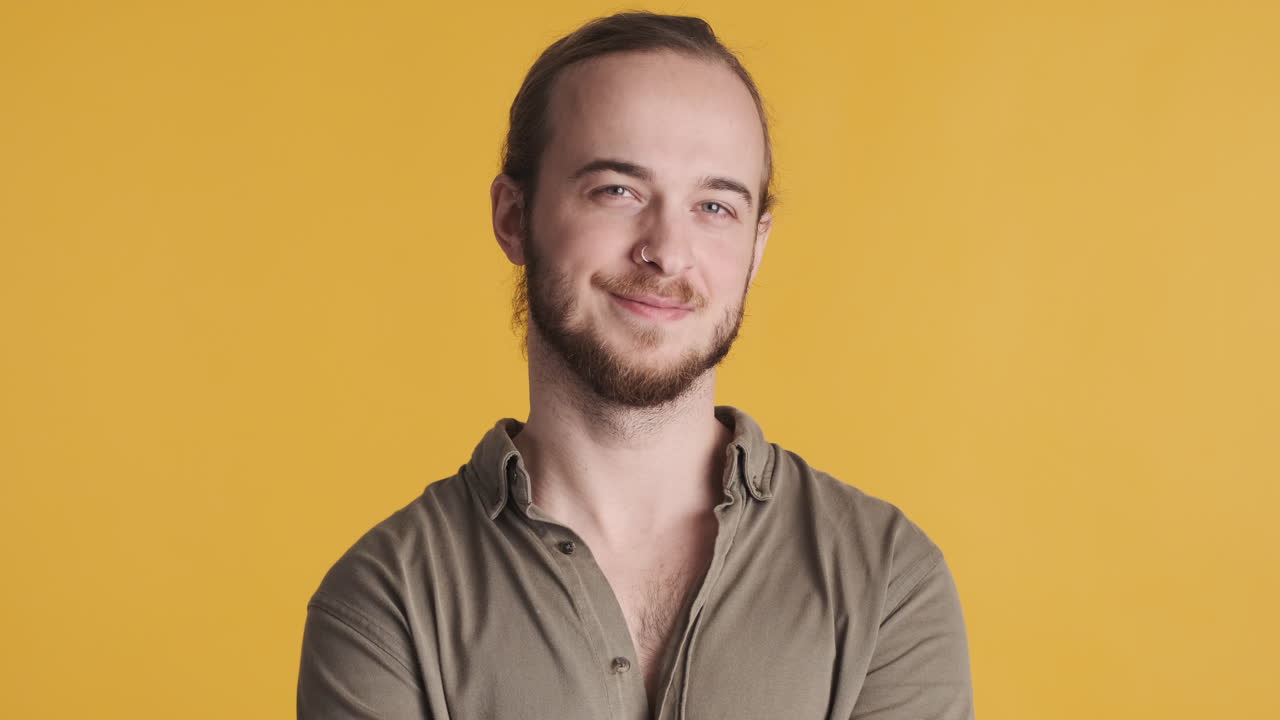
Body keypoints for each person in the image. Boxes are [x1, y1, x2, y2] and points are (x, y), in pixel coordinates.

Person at [297, 11, 974, 720]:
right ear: (511, 216)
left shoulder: (887, 580)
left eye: (715, 206)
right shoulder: (386, 602)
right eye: (617, 191)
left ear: (757, 246)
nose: (667, 252)